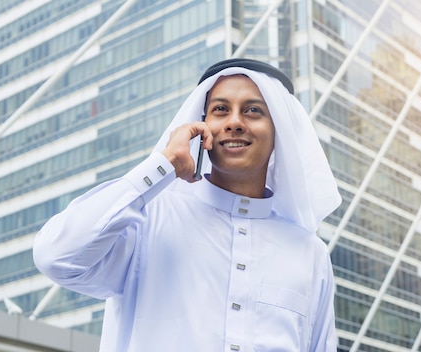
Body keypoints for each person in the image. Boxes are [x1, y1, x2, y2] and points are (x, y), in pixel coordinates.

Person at [33, 58, 342, 351]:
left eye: (253, 111)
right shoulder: (147, 220)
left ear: (279, 133)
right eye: (221, 109)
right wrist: (163, 164)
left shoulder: (309, 253)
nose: (235, 122)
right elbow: (56, 257)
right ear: (202, 126)